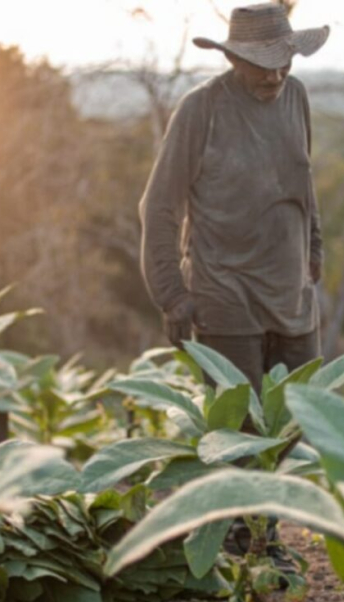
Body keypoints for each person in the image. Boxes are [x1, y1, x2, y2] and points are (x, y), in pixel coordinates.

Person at [138, 2, 329, 392]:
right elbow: (159, 206)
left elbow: (301, 181)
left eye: (285, 62)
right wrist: (171, 295)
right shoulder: (201, 109)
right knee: (240, 440)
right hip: (225, 302)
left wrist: (315, 250)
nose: (275, 75)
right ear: (233, 58)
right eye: (263, 64)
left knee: (299, 428)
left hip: (293, 300)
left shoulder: (296, 96)